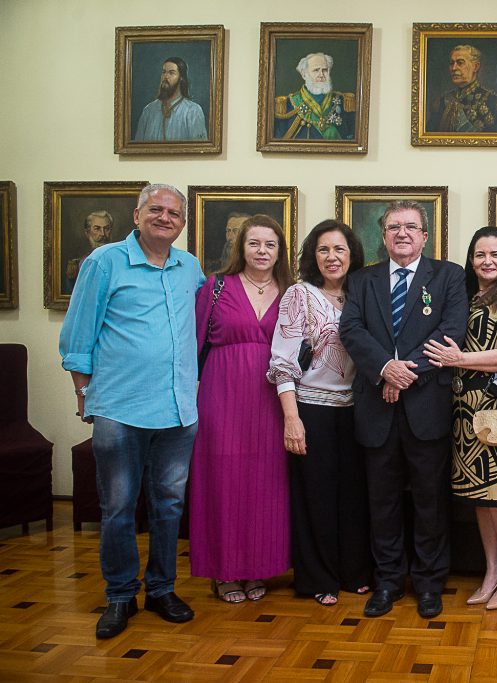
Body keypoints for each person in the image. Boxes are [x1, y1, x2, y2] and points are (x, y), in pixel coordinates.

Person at [58, 184, 205, 639]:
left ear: (182, 223)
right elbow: (78, 332)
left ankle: (161, 589)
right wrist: (84, 393)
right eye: (156, 210)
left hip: (179, 409)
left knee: (169, 505)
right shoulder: (104, 263)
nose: (165, 218)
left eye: (173, 214)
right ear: (137, 215)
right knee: (119, 508)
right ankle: (120, 596)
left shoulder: (189, 267)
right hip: (119, 408)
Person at [338, 201, 469, 619]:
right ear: (383, 235)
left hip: (427, 406)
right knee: (383, 502)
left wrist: (404, 372)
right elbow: (351, 329)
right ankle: (389, 581)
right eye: (394, 227)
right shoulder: (362, 280)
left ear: (425, 236)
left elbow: (452, 331)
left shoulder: (448, 276)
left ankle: (430, 584)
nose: (402, 233)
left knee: (431, 502)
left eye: (411, 227)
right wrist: (384, 369)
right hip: (376, 410)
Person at [423, 227, 497, 610]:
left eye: (495, 255)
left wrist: (459, 359)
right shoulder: (467, 296)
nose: (487, 262)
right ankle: (491, 570)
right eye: (480, 254)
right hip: (465, 410)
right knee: (480, 498)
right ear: (471, 259)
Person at [267, 220, 373, 606]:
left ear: (352, 255)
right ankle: (318, 578)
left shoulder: (362, 294)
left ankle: (353, 571)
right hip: (311, 409)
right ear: (314, 255)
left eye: (340, 250)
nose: (332, 257)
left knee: (353, 497)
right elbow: (282, 360)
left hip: (357, 410)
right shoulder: (300, 294)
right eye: (324, 249)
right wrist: (292, 418)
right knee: (317, 497)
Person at [190, 215, 293, 604]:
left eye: (270, 244)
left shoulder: (291, 291)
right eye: (254, 243)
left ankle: (257, 568)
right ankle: (225, 571)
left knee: (267, 482)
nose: (262, 251)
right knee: (223, 479)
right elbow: (193, 349)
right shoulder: (216, 287)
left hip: (274, 399)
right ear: (241, 248)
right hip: (222, 396)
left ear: (279, 250)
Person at [274, 52, 355, 140]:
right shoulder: (289, 105)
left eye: (325, 70)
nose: (321, 75)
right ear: (304, 74)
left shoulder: (343, 102)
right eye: (316, 70)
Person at [427, 45, 497, 133]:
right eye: (451, 63)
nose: (454, 68)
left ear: (475, 67)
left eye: (460, 63)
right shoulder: (442, 102)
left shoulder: (494, 102)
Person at [134, 58, 208, 141]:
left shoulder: (193, 111)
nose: (165, 76)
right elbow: (137, 146)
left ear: (181, 78)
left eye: (171, 73)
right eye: (164, 72)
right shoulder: (149, 110)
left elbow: (198, 149)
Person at [66, 210, 115, 291]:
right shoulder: (80, 263)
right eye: (97, 229)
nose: (103, 234)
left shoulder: (120, 260)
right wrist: (71, 279)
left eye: (106, 229)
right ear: (87, 233)